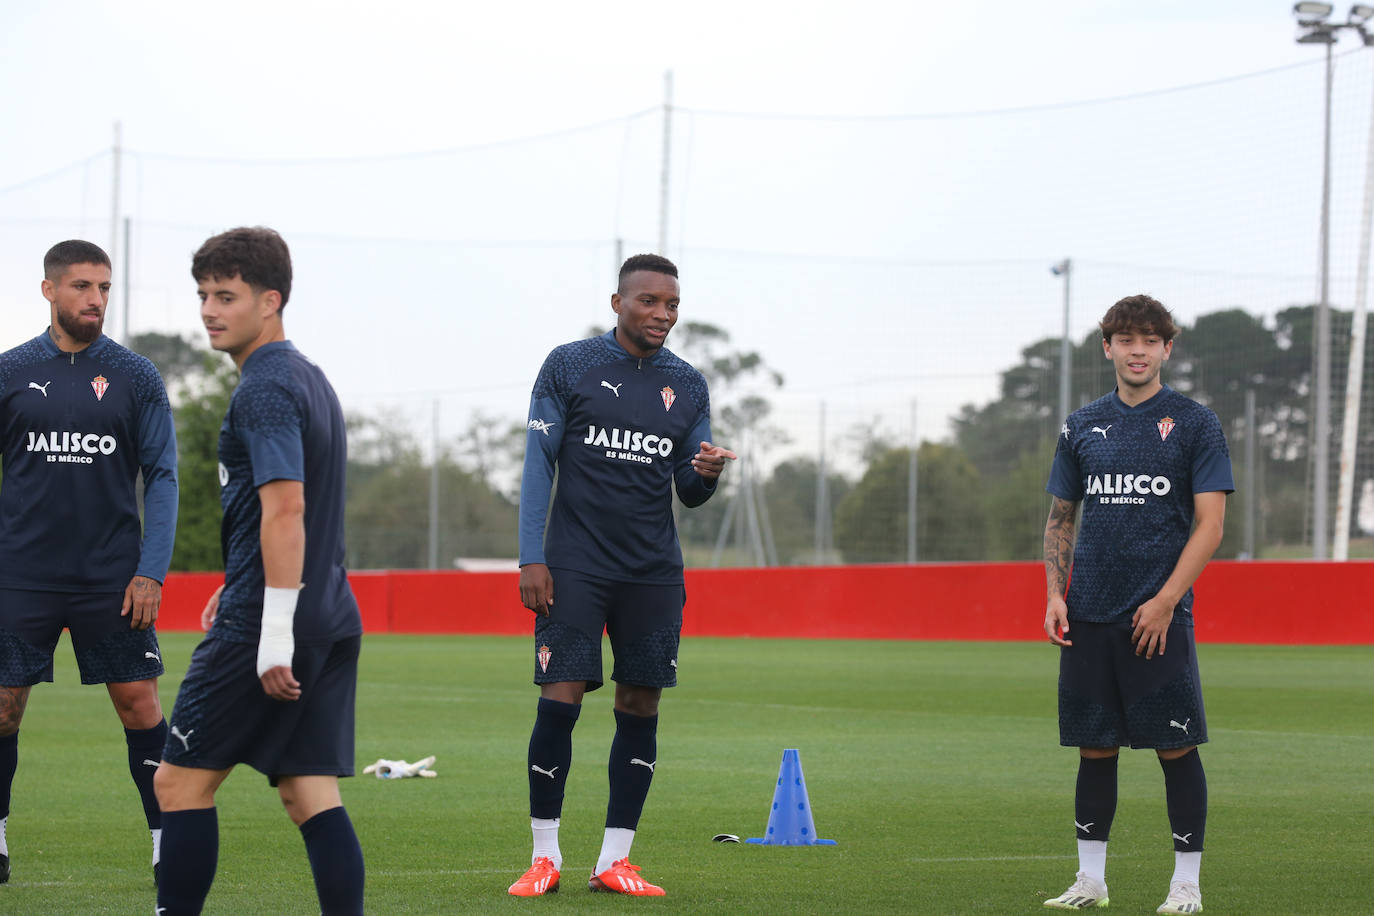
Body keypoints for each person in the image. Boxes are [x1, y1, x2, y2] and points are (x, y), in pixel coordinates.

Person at [508, 253, 736, 898]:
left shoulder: (688, 384)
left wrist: (707, 474)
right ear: (617, 303)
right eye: (648, 301)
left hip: (653, 573)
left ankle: (614, 860)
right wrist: (532, 556)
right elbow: (537, 465)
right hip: (575, 564)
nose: (661, 314)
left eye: (671, 305)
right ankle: (544, 856)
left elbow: (688, 490)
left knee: (641, 703)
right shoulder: (569, 365)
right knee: (561, 697)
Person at [154, 227, 364, 915]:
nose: (210, 311)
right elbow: (284, 512)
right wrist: (240, 572)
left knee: (179, 786)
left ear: (270, 301)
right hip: (332, 607)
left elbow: (288, 509)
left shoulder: (264, 389)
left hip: (271, 619)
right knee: (308, 791)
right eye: (204, 296)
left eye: (228, 296)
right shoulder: (310, 378)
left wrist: (271, 627)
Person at [1042, 294, 1233, 915]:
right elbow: (1061, 517)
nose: (1138, 351)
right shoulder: (1080, 425)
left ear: (1167, 349)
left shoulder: (1195, 423)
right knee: (1094, 748)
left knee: (1175, 748)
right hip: (1089, 613)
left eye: (1150, 341)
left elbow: (1210, 526)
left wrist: (1166, 599)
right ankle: (1090, 881)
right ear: (1108, 349)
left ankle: (1186, 886)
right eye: (1126, 340)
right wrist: (1053, 593)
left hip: (1159, 617)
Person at [0, 239, 178, 885]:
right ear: (50, 290)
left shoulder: (135, 375)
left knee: (138, 704)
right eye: (81, 286)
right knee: (3, 707)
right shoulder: (11, 370)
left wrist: (151, 570)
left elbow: (163, 476)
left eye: (103, 287)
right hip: (21, 573)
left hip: (112, 576)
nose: (95, 299)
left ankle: (166, 842)